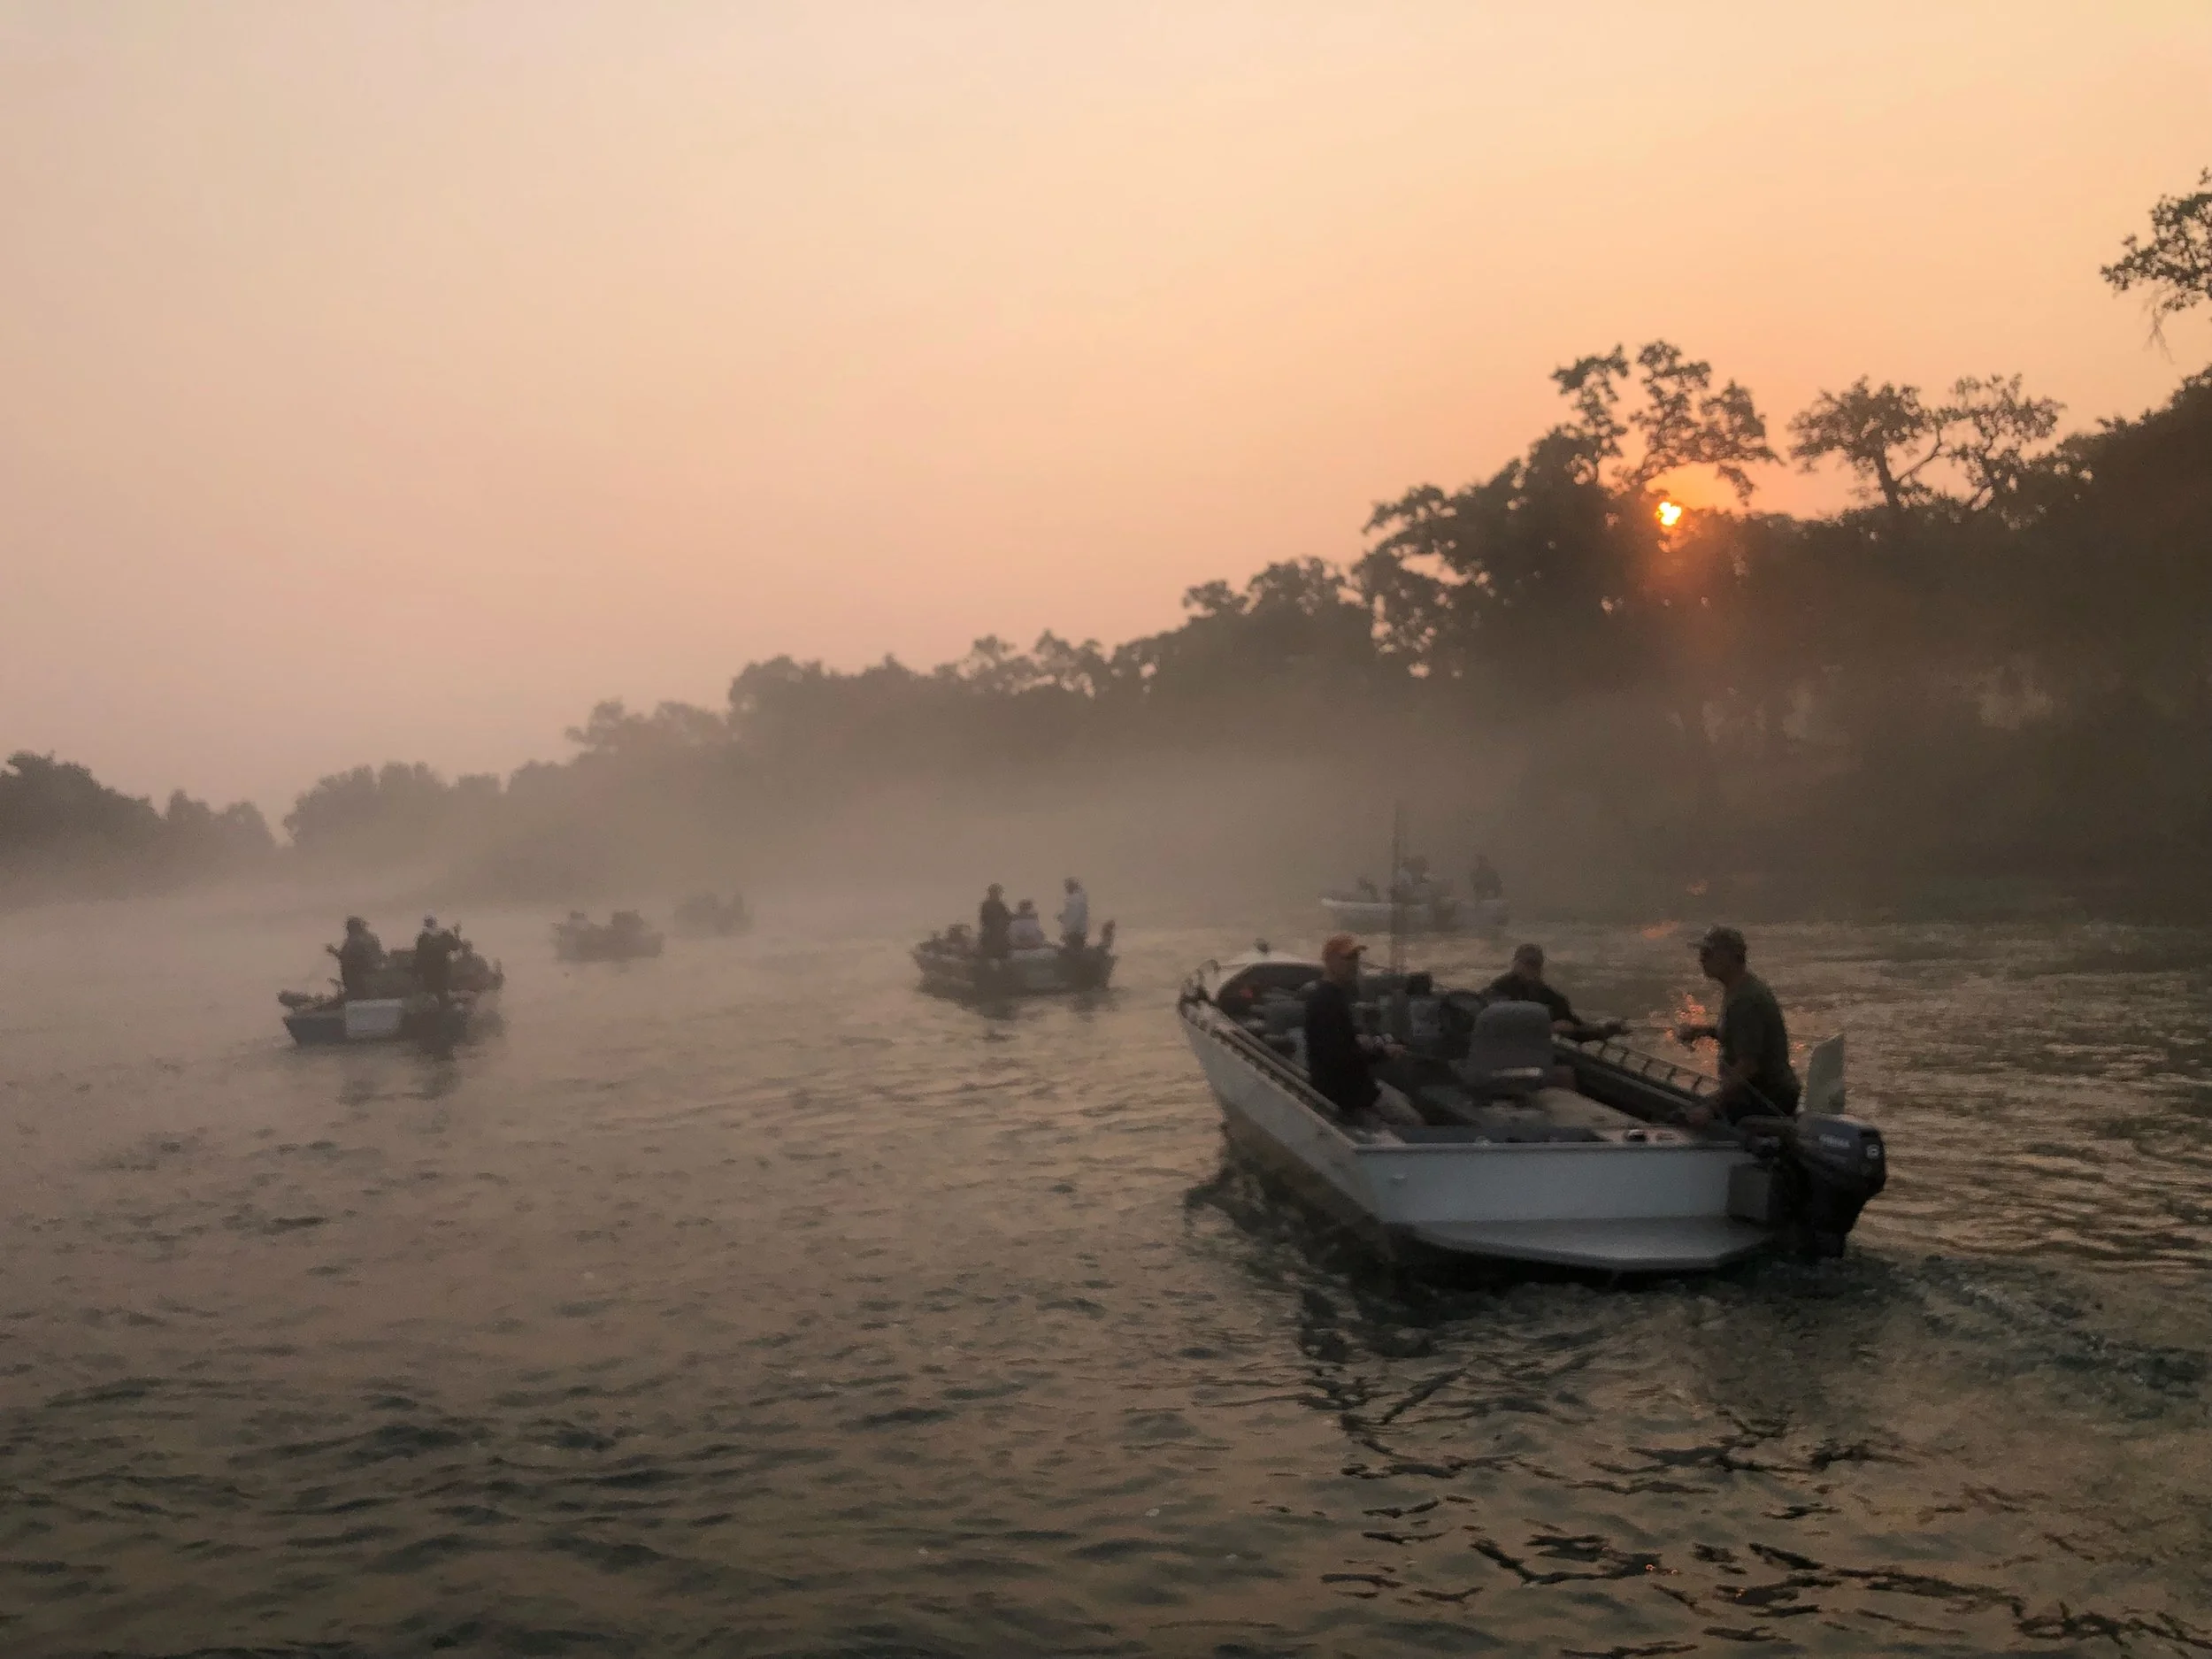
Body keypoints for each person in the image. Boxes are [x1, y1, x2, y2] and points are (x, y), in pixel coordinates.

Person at [1673, 925, 1801, 1126]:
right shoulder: (1740, 989)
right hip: (1757, 1094)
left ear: (1729, 957)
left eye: (1707, 953)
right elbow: (1742, 1035)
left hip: (1764, 1099)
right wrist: (1704, 1031)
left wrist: (1712, 1107)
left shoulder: (1746, 999)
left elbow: (1748, 1065)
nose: (1701, 959)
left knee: (1680, 1118)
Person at [1302, 934, 1420, 1128]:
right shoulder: (1325, 1001)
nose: (1354, 964)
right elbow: (1339, 1057)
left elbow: (1338, 1042)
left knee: (1405, 1100)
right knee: (1414, 1122)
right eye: (1347, 958)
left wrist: (1359, 1039)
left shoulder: (1336, 995)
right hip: (1345, 1094)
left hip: (1357, 1085)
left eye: (1356, 958)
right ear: (1329, 961)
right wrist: (1383, 1052)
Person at [1484, 943, 1626, 1043]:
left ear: (1541, 968)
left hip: (1537, 1056)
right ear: (1515, 964)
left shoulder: (1551, 998)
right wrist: (1548, 1029)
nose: (1530, 969)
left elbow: (1578, 1029)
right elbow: (1494, 1022)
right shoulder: (1498, 989)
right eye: (1526, 964)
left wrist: (1606, 1030)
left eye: (1535, 965)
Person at [328, 916, 384, 998]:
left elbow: (347, 958)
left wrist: (333, 951)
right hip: (374, 976)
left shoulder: (354, 941)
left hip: (358, 979)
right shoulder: (372, 938)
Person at [414, 914, 459, 1001]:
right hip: (440, 968)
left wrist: (417, 973)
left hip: (433, 969)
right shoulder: (443, 934)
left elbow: (419, 956)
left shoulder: (423, 937)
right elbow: (455, 947)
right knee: (441, 993)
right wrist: (456, 934)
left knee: (434, 994)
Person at [977, 885, 1012, 961]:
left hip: (1000, 932)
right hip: (991, 932)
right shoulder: (986, 905)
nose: (998, 895)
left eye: (998, 893)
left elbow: (1008, 918)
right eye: (996, 892)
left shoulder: (1001, 904)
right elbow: (984, 920)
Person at [1057, 877, 1089, 949]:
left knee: (1073, 950)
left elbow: (1073, 917)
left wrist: (1067, 932)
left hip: (1074, 933)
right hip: (1081, 931)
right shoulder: (1082, 897)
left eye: (1067, 887)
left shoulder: (1073, 899)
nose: (1066, 889)